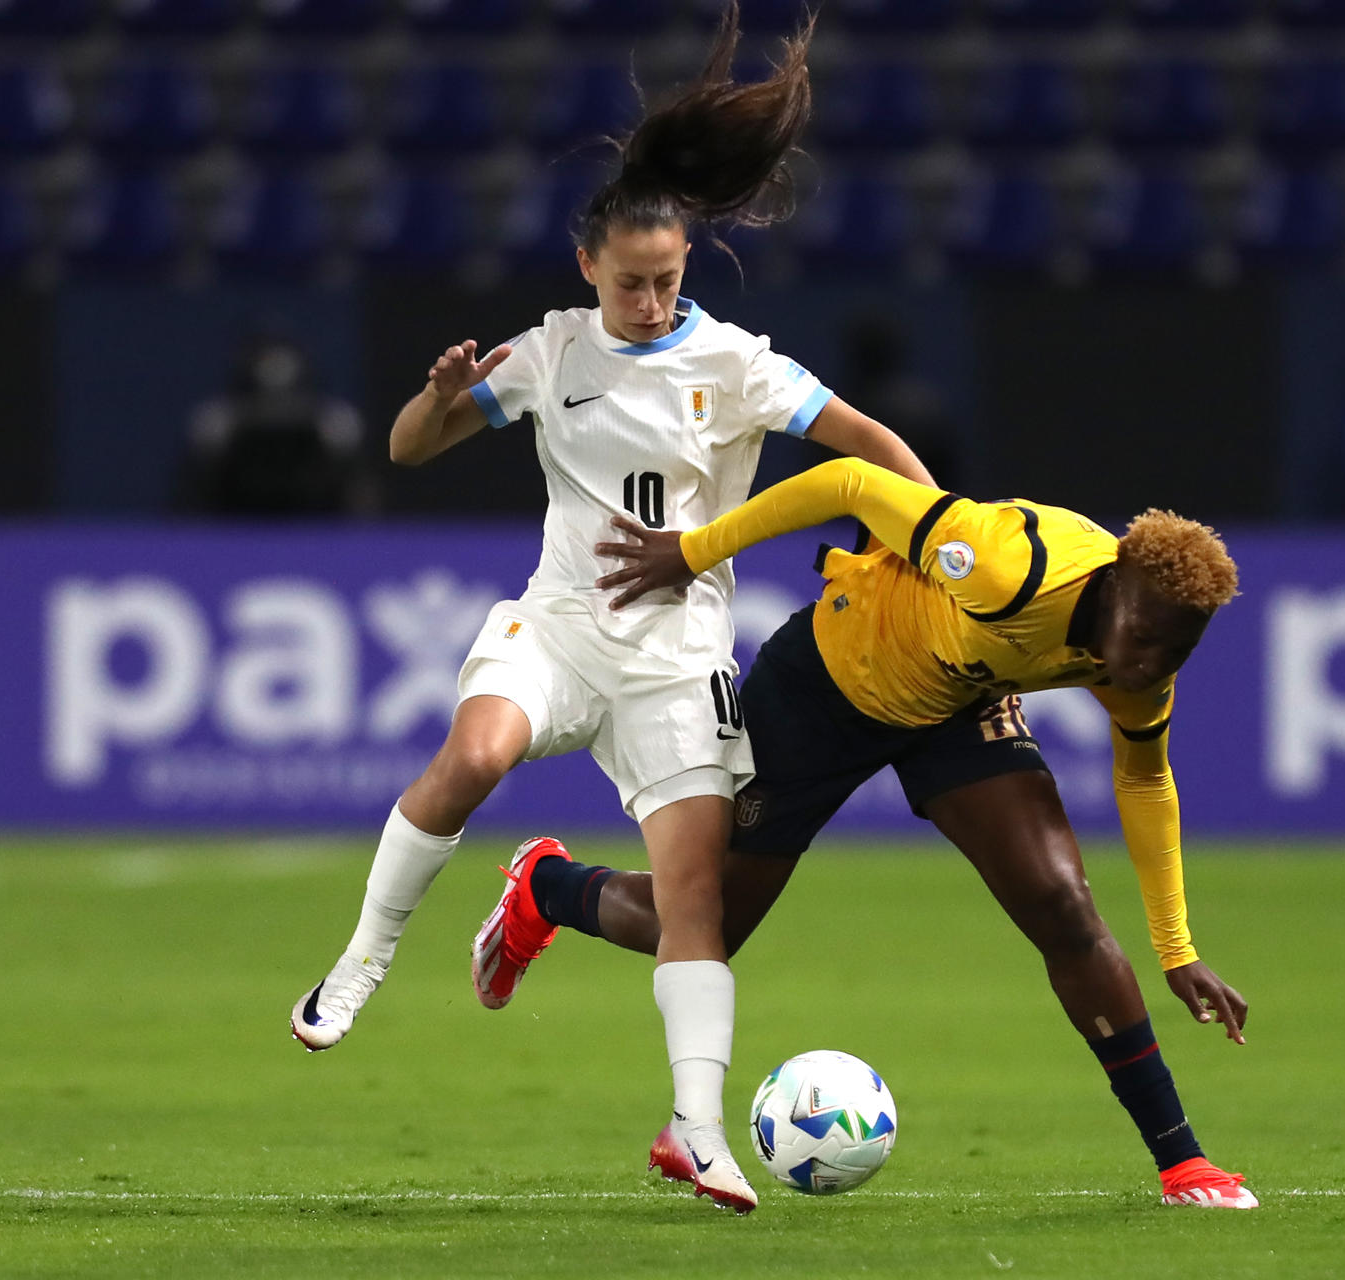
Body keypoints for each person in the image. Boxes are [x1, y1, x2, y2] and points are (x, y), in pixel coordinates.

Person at [287, 5, 932, 1216]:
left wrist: (941, 534)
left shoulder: (738, 364)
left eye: (667, 279)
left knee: (696, 904)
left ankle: (696, 1129)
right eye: (629, 281)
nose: (648, 299)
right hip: (563, 627)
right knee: (472, 753)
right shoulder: (549, 353)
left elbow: (870, 444)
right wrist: (437, 400)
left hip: (681, 658)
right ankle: (362, 958)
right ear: (587, 267)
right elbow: (407, 447)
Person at [478, 456, 1260, 1210]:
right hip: (822, 688)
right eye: (1147, 638)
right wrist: (691, 551)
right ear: (1114, 585)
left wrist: (1177, 949)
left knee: (1062, 905)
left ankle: (1182, 1159)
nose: (1154, 665)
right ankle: (545, 886)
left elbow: (1145, 780)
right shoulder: (1004, 566)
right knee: (693, 928)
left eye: (1179, 651)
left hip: (955, 703)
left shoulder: (1144, 661)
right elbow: (847, 481)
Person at [178, 332, 375, 516]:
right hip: (234, 525)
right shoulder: (218, 420)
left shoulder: (334, 421)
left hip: (315, 526)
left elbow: (360, 490)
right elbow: (192, 492)